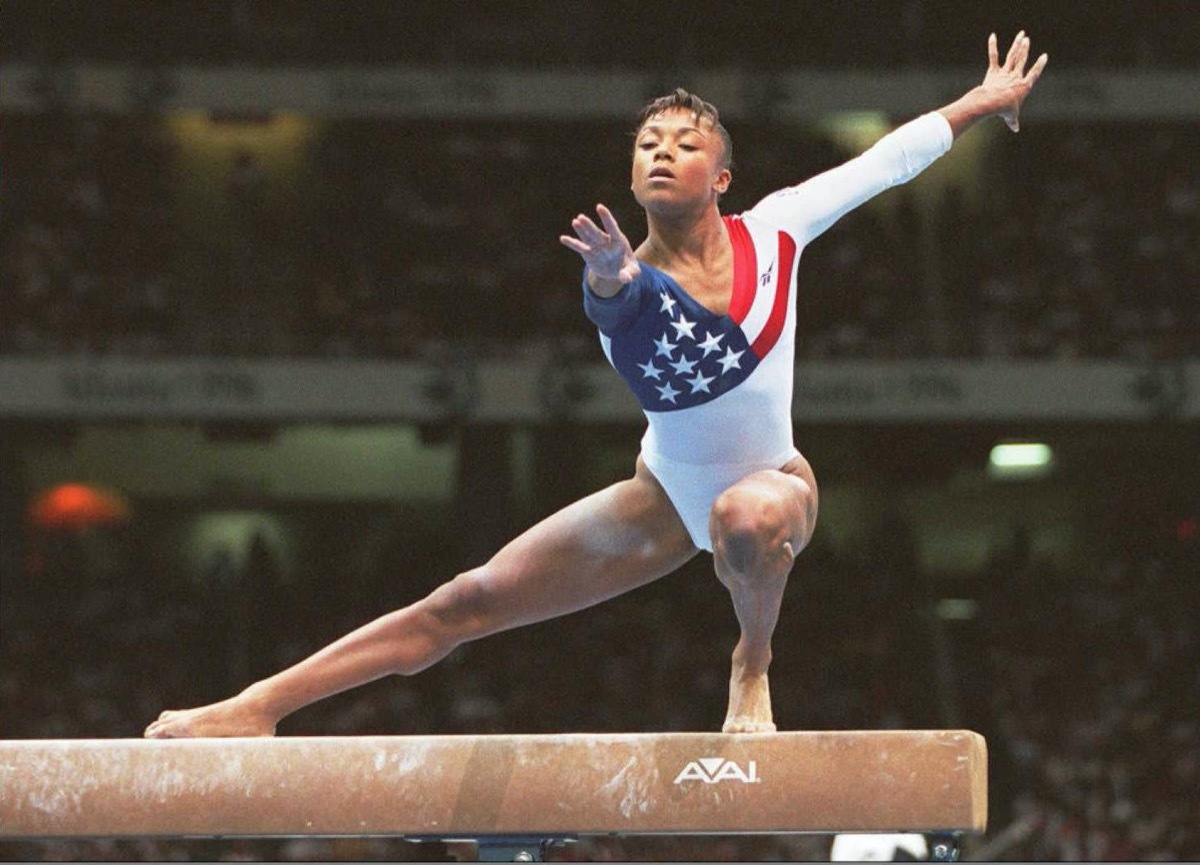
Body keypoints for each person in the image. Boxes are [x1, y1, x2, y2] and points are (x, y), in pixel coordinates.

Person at [145, 32, 1047, 739]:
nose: (662, 152)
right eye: (647, 142)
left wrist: (976, 102)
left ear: (721, 176)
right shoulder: (619, 281)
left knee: (743, 519)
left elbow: (880, 164)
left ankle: (752, 657)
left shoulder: (775, 233)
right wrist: (613, 278)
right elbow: (618, 306)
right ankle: (259, 702)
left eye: (686, 143)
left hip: (777, 483)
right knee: (463, 601)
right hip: (662, 500)